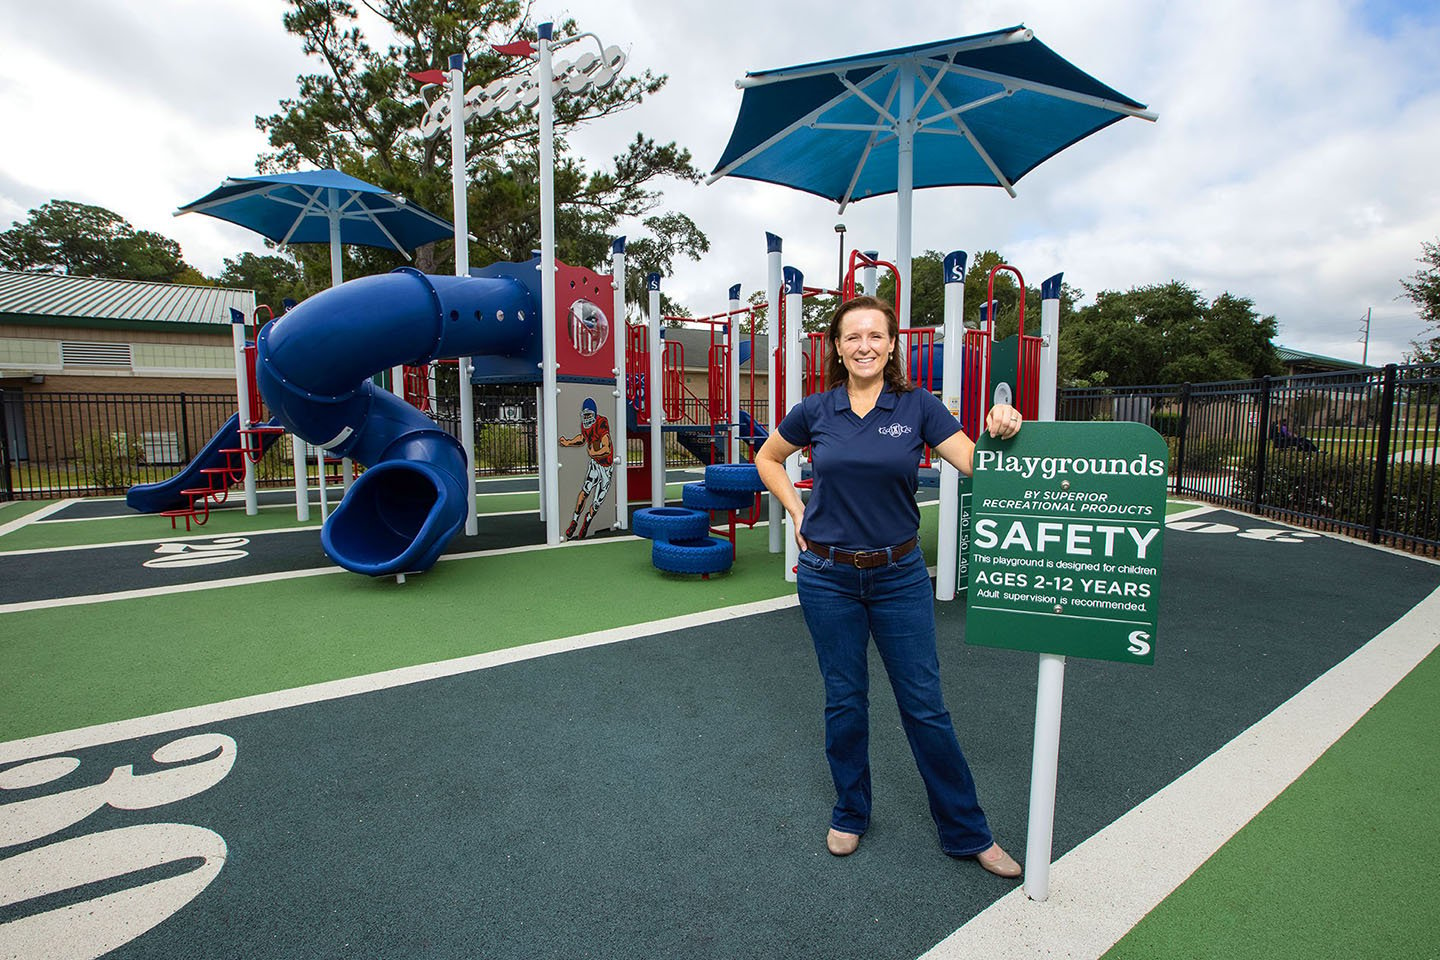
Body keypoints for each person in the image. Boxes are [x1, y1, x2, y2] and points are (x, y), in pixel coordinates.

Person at [754, 295, 1023, 879]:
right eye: (853, 337)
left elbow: (978, 464)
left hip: (899, 576)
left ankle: (967, 830)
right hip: (827, 578)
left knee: (925, 706)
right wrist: (796, 509)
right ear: (836, 347)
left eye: (876, 335)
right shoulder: (815, 409)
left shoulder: (918, 406)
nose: (865, 345)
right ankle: (851, 812)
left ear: (893, 343)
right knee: (845, 700)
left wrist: (1003, 426)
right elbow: (768, 458)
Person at [559, 397, 613, 540]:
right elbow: (582, 439)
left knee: (596, 503)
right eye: (586, 415)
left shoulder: (602, 423)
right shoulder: (585, 426)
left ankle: (586, 522)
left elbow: (606, 448)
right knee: (585, 492)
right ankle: (574, 521)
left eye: (590, 415)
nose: (587, 418)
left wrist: (594, 453)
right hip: (595, 464)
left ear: (595, 414)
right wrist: (568, 442)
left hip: (606, 467)